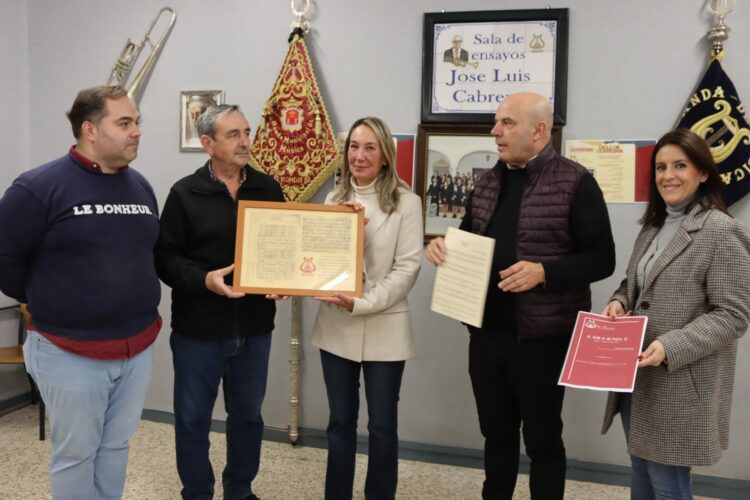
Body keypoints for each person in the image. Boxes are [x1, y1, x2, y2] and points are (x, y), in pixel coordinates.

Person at [425, 92, 616, 499]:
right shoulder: (487, 180)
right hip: (486, 336)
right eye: (497, 122)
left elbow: (603, 259)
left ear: (539, 130)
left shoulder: (576, 182)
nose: (495, 131)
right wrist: (443, 247)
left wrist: (544, 272)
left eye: (507, 122)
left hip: (543, 342)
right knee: (496, 437)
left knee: (544, 443)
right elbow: (467, 238)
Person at [0, 85, 161, 499]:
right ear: (90, 130)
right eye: (124, 123)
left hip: (136, 348)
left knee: (115, 448)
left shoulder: (140, 186)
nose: (137, 131)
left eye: (137, 121)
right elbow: (6, 260)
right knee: (76, 456)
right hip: (69, 351)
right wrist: (45, 299)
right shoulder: (38, 187)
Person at [600, 129, 750, 499]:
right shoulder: (652, 227)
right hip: (636, 377)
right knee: (641, 473)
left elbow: (734, 315)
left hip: (681, 382)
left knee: (668, 484)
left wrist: (670, 345)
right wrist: (619, 301)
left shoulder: (722, 230)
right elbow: (634, 283)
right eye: (661, 166)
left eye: (680, 165)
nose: (668, 175)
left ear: (702, 173)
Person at [155, 104, 285, 500]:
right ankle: (197, 492)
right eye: (234, 134)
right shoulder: (184, 193)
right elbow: (165, 259)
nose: (245, 141)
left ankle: (240, 490)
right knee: (193, 420)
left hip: (255, 328)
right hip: (198, 332)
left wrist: (284, 280)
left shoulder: (268, 187)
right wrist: (204, 280)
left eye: (247, 132)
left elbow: (283, 247)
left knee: (247, 417)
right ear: (207, 143)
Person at [311, 116, 423, 500]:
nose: (359, 156)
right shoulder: (332, 199)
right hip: (335, 328)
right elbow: (325, 267)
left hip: (384, 328)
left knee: (381, 427)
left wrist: (361, 302)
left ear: (386, 156)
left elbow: (407, 270)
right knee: (339, 423)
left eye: (370, 148)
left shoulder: (408, 203)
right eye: (354, 147)